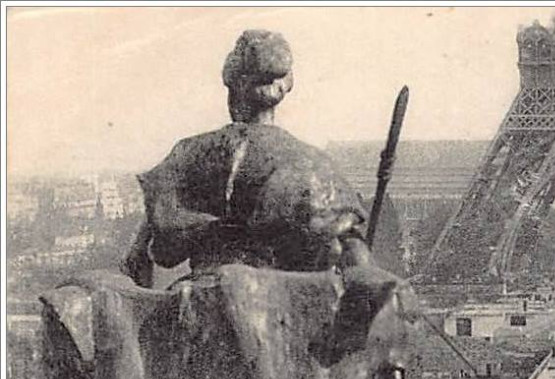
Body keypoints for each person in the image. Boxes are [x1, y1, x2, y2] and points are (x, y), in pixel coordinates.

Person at [124, 30, 372, 285]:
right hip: (282, 307)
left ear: (232, 86)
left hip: (200, 302)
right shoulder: (314, 165)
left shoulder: (188, 153)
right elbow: (353, 258)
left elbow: (153, 255)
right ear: (283, 88)